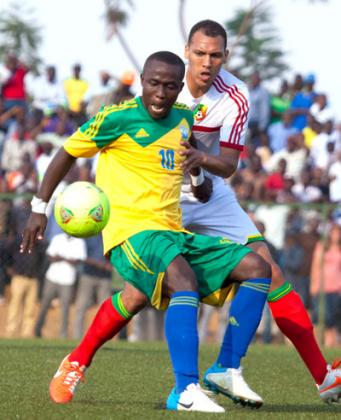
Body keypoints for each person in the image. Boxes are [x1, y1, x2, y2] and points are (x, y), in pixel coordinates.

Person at [59, 20, 341, 405]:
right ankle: (77, 360)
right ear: (186, 51)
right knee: (138, 294)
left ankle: (319, 376)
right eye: (200, 53)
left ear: (225, 56)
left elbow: (228, 165)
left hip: (209, 190)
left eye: (215, 55)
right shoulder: (165, 83)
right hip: (161, 198)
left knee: (266, 268)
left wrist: (198, 162)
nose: (207, 63)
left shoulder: (236, 94)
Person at [21, 51, 272, 413]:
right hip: (131, 233)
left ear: (179, 87)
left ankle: (226, 368)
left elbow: (196, 172)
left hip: (172, 233)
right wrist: (39, 208)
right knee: (182, 281)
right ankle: (185, 390)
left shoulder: (185, 120)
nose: (161, 93)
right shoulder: (116, 118)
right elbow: (66, 153)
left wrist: (199, 176)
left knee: (255, 268)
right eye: (154, 83)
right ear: (142, 81)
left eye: (170, 86)